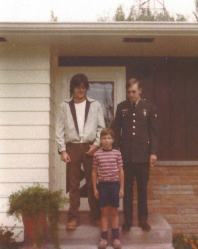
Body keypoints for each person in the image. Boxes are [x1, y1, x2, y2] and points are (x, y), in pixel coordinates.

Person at [56, 73, 105, 229]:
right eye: (78, 87)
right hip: (72, 147)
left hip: (90, 147)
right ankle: (73, 217)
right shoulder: (64, 105)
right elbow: (59, 130)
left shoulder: (95, 105)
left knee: (92, 183)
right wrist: (63, 150)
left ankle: (95, 216)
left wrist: (97, 145)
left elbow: (101, 128)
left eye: (84, 87)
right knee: (73, 184)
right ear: (73, 88)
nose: (81, 90)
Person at [113, 78, 159, 232]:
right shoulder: (121, 107)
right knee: (127, 190)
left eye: (133, 91)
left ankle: (143, 220)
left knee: (142, 190)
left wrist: (153, 152)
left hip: (143, 156)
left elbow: (153, 131)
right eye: (128, 92)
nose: (131, 95)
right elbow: (115, 131)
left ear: (140, 90)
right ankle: (127, 221)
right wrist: (115, 152)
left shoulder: (149, 106)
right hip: (126, 156)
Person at [92, 128, 124, 249]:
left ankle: (116, 238)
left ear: (113, 140)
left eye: (109, 138)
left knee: (114, 212)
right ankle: (104, 238)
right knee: (104, 212)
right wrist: (95, 188)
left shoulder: (117, 153)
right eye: (104, 138)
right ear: (100, 140)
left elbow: (121, 171)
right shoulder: (97, 154)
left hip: (114, 185)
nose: (106, 141)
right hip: (103, 186)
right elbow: (94, 172)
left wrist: (121, 188)